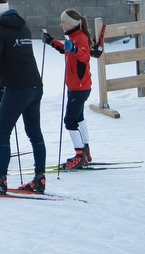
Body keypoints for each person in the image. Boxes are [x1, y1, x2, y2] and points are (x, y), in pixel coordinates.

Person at [0, 0, 47, 195]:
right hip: (35, 85)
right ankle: (39, 178)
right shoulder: (21, 26)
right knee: (34, 133)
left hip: (17, 88)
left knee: (2, 133)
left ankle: (0, 180)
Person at [43, 10, 103, 169]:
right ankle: (85, 152)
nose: (61, 24)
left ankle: (80, 155)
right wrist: (51, 42)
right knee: (78, 118)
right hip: (76, 86)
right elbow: (66, 49)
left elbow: (84, 56)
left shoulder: (80, 38)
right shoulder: (74, 37)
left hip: (80, 87)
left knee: (70, 121)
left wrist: (75, 49)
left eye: (63, 21)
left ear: (71, 23)